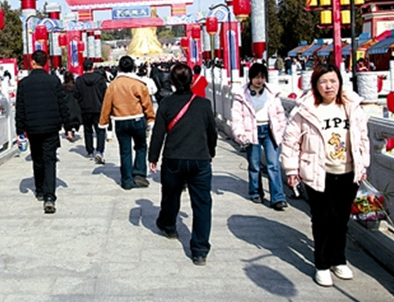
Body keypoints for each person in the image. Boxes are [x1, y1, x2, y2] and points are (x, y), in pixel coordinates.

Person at [280, 63, 370, 287]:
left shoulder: (351, 106)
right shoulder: (305, 109)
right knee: (322, 219)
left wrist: (363, 164)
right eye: (323, 82)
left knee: (341, 220)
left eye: (333, 81)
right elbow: (290, 142)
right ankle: (321, 264)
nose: (329, 86)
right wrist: (291, 170)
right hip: (318, 172)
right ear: (315, 85)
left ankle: (338, 259)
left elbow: (363, 138)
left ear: (340, 82)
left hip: (348, 172)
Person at [148, 63, 218, 266]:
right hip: (199, 159)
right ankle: (200, 250)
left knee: (170, 195)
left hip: (174, 158)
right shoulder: (204, 104)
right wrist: (211, 152)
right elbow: (211, 132)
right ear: (191, 80)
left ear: (171, 81)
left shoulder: (166, 104)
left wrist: (153, 157)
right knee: (202, 204)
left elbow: (158, 133)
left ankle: (168, 225)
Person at [15, 50, 72, 214]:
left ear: (32, 62)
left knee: (37, 159)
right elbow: (63, 105)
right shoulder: (53, 81)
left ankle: (40, 190)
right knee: (49, 160)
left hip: (33, 128)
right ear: (45, 63)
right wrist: (68, 127)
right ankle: (49, 197)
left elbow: (20, 109)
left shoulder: (24, 83)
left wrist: (20, 131)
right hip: (51, 127)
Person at [231, 63, 288, 210]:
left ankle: (278, 197)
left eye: (262, 77)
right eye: (256, 77)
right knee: (254, 164)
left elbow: (280, 113)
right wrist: (240, 134)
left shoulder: (272, 93)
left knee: (273, 165)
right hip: (252, 131)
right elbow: (237, 117)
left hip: (270, 130)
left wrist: (281, 130)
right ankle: (255, 192)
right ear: (250, 78)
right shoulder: (241, 95)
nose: (259, 80)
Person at [99, 55, 155, 189]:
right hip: (137, 118)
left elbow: (106, 105)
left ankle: (127, 179)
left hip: (120, 120)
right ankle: (139, 173)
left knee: (125, 151)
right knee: (141, 146)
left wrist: (103, 121)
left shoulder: (113, 85)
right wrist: (150, 118)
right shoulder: (139, 84)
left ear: (119, 68)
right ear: (134, 68)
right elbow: (147, 103)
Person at [75, 59, 108, 162]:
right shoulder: (100, 79)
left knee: (88, 130)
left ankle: (89, 150)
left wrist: (81, 102)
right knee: (100, 130)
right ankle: (100, 150)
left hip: (85, 108)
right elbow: (105, 93)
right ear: (93, 67)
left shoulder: (79, 80)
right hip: (98, 108)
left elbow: (76, 94)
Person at [62, 70, 82, 140]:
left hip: (66, 104)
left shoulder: (62, 86)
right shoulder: (75, 86)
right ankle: (72, 130)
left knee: (67, 120)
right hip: (75, 105)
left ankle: (69, 132)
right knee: (75, 119)